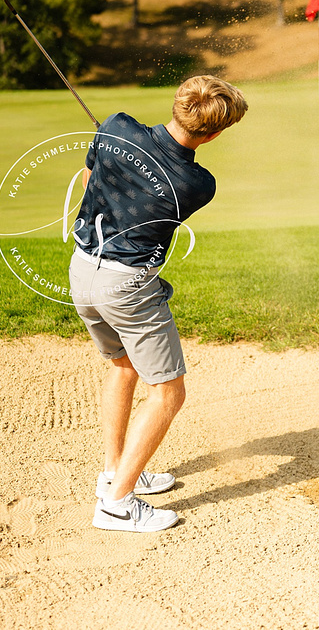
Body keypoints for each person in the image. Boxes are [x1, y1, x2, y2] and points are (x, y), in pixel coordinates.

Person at [68, 75, 248, 532]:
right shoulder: (196, 182)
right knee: (168, 392)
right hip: (128, 286)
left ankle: (114, 475)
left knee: (123, 366)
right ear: (213, 134)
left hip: (82, 268)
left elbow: (91, 179)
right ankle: (117, 505)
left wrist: (116, 156)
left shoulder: (116, 126)